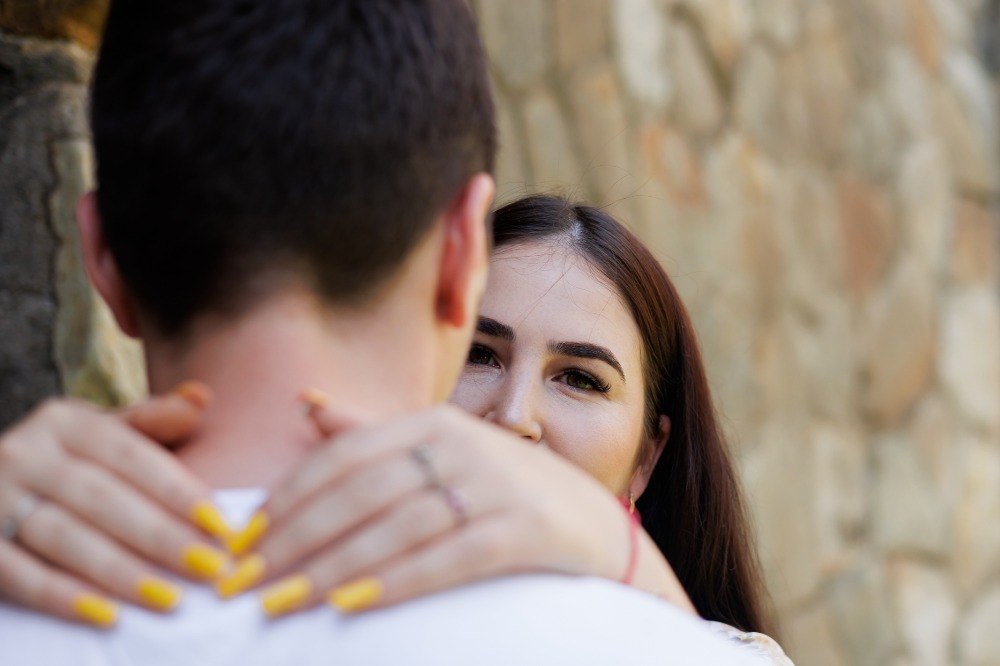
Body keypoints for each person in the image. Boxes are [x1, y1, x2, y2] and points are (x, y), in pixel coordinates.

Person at [0, 0, 760, 664]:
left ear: (100, 255)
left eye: (580, 378)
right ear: (464, 251)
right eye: (483, 355)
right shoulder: (646, 645)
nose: (513, 419)